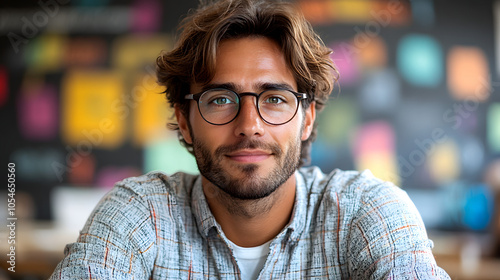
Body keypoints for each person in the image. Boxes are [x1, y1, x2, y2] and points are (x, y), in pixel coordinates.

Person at [50, 0, 450, 279]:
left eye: (274, 99)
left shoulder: (365, 211)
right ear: (184, 122)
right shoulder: (142, 214)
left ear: (307, 119)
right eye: (220, 99)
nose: (249, 124)